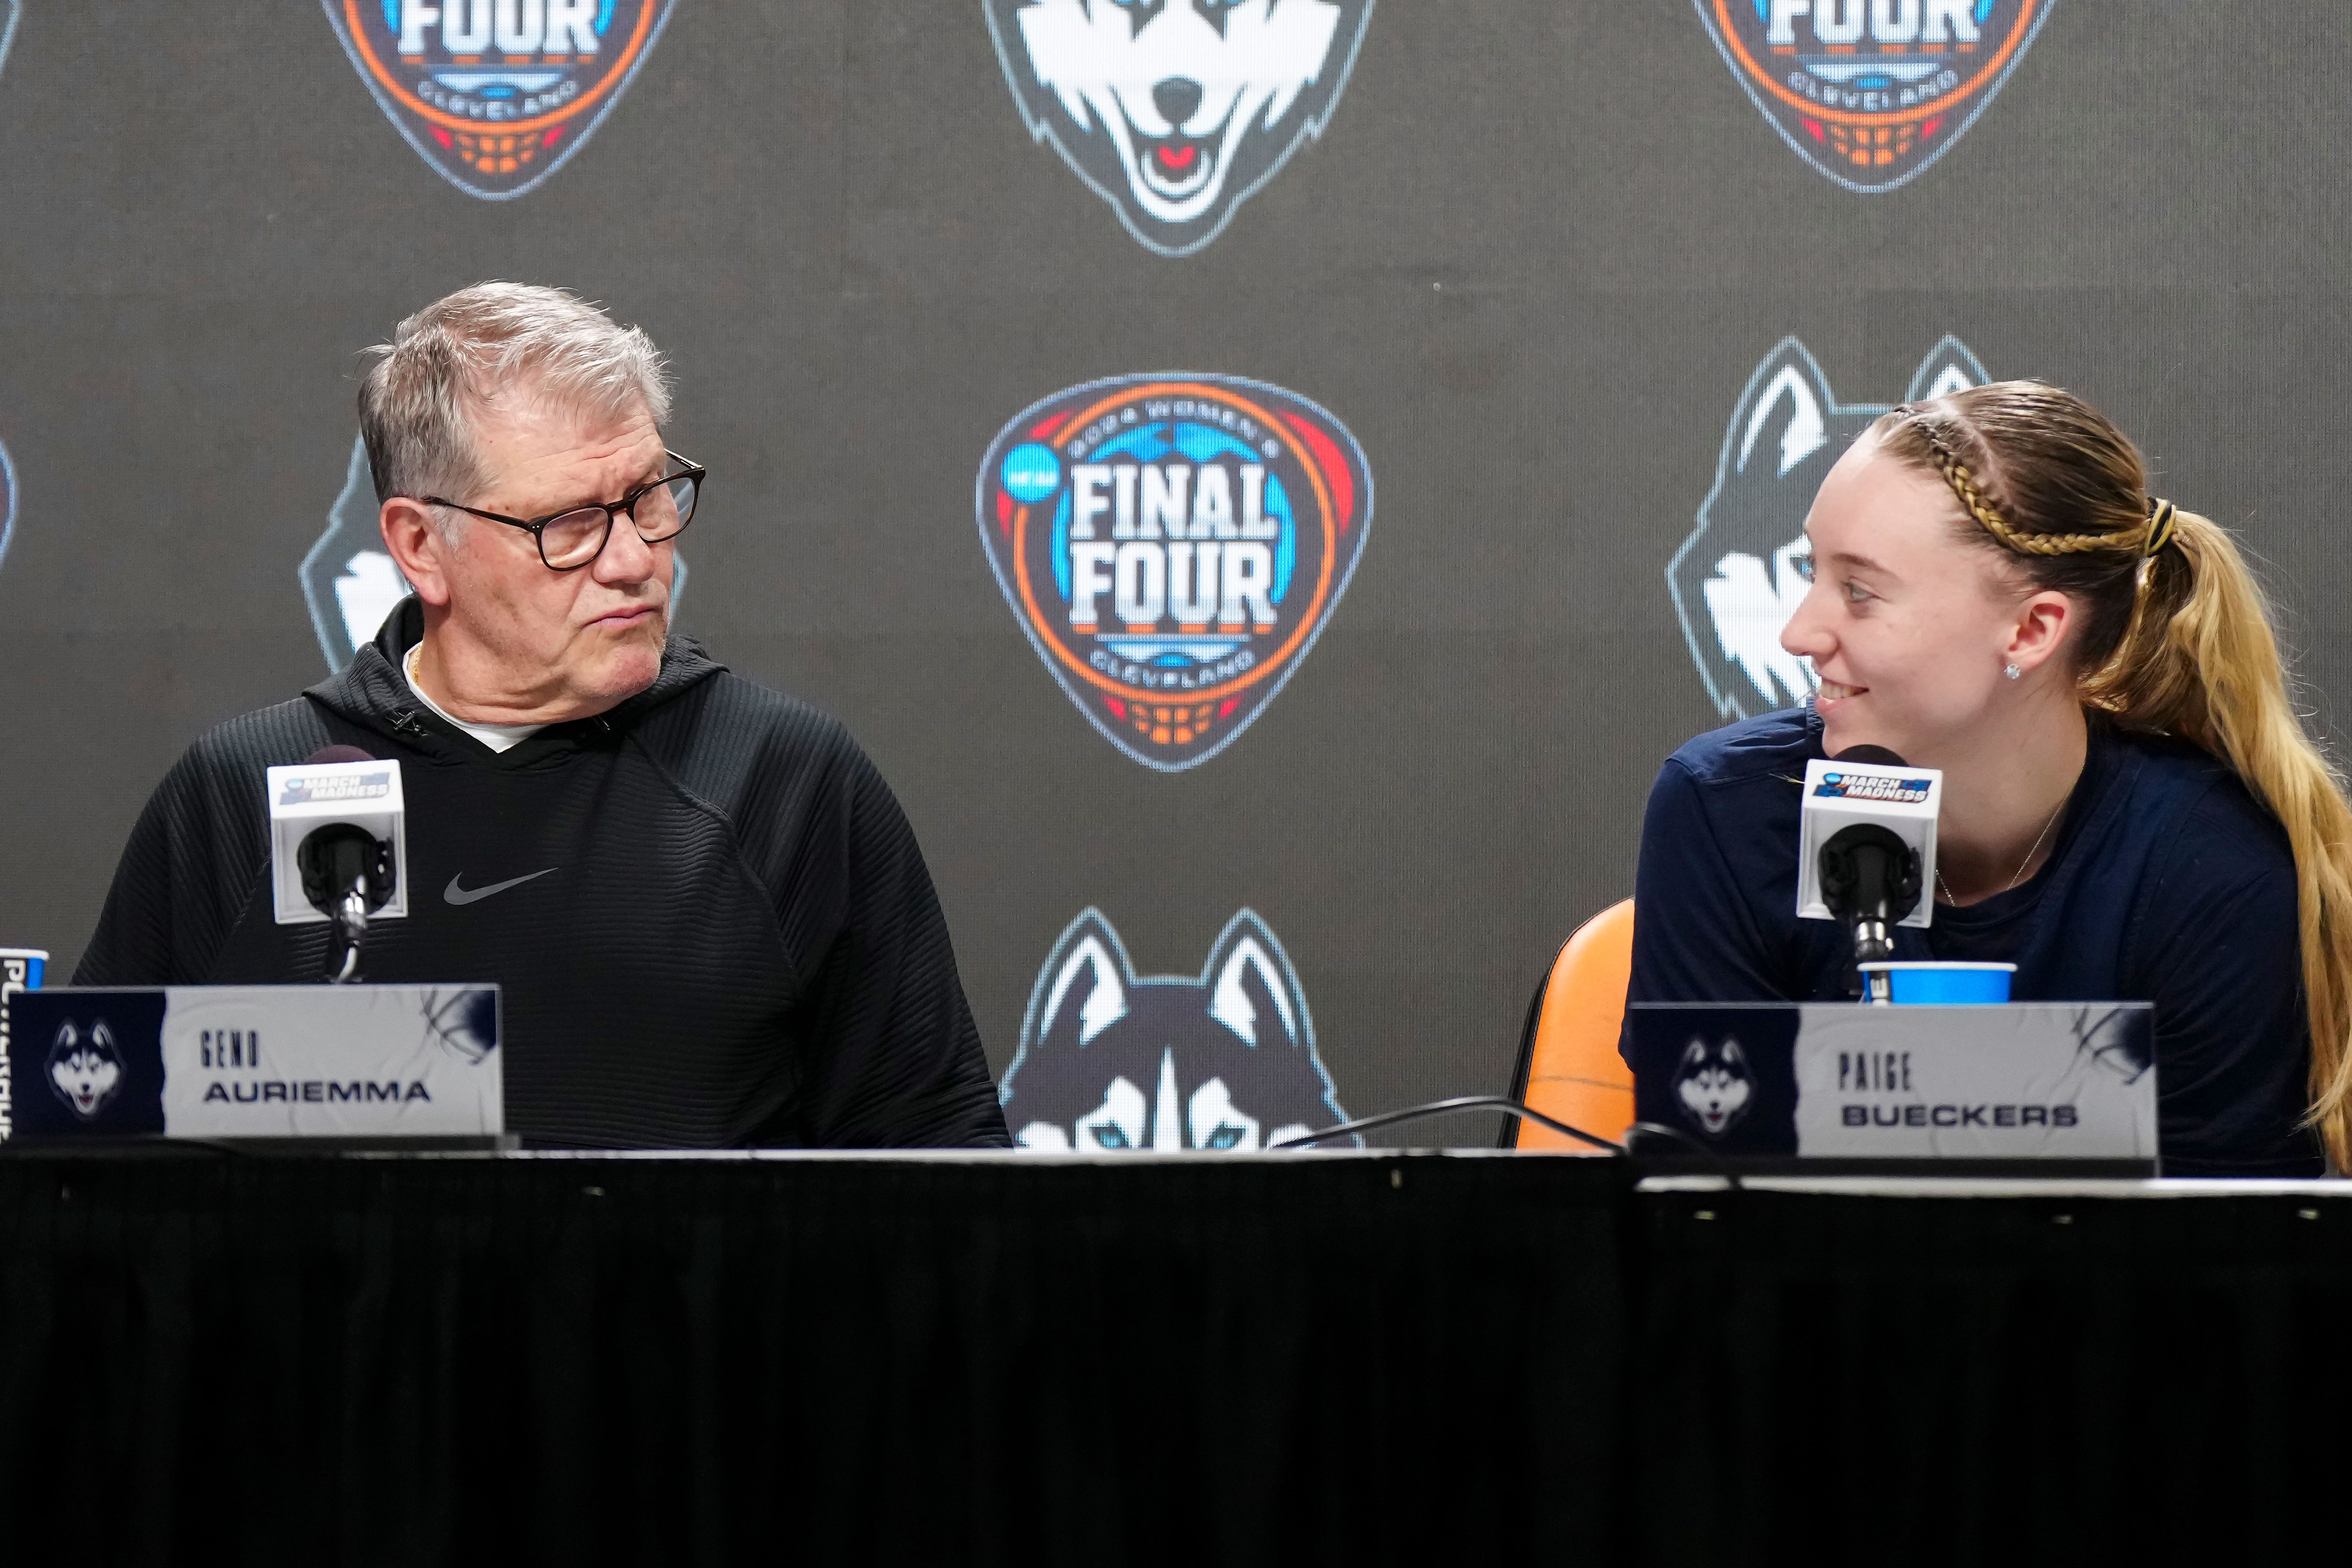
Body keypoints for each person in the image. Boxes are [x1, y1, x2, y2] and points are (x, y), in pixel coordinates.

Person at [77, 283, 1010, 1149]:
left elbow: (937, 1162)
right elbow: (90, 1146)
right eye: (568, 523)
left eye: (649, 497)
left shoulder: (784, 780)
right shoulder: (246, 790)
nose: (635, 558)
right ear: (419, 546)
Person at [1630, 379, 2352, 1176]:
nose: (1798, 633)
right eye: (1811, 572)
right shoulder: (1725, 810)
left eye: (1860, 592)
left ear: (2031, 629)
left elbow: (2212, 1265)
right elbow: (1706, 1211)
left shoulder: (2211, 869)